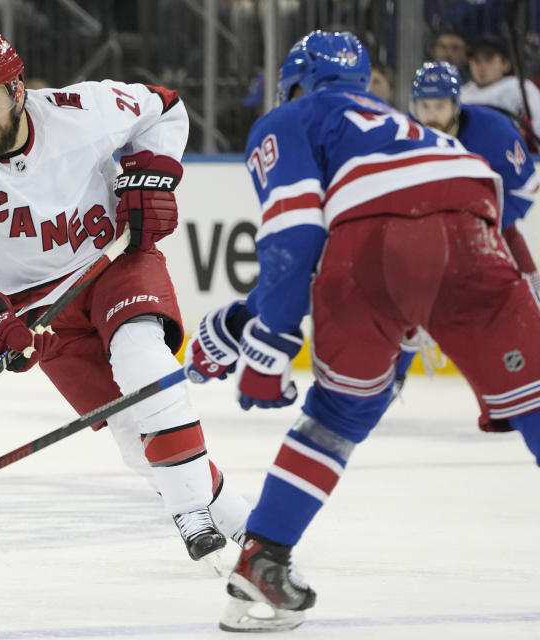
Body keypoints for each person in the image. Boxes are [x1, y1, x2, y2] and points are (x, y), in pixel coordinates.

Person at [183, 31, 540, 631]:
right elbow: (382, 226)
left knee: (340, 414)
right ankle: (258, 569)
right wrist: (244, 320)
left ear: (294, 82)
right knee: (535, 399)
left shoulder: (290, 118)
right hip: (470, 227)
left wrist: (267, 350)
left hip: (375, 249)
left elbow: (299, 239)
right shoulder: (402, 125)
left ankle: (263, 560)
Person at [0, 33, 252, 565]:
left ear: (18, 90)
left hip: (115, 261)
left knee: (144, 360)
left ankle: (190, 515)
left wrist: (152, 176)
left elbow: (164, 108)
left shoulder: (82, 110)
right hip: (39, 306)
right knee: (127, 432)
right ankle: (245, 525)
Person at [395, 61, 540, 418]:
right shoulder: (398, 133)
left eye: (440, 105)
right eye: (424, 105)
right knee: (407, 308)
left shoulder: (494, 131)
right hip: (424, 239)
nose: (431, 114)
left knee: (525, 306)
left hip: (492, 236)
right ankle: (392, 380)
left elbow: (526, 188)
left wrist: (479, 227)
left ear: (456, 103)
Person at [461, 33, 540, 144]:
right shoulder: (462, 93)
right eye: (476, 60)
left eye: (489, 59)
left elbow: (537, 125)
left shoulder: (520, 87)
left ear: (506, 64)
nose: (482, 66)